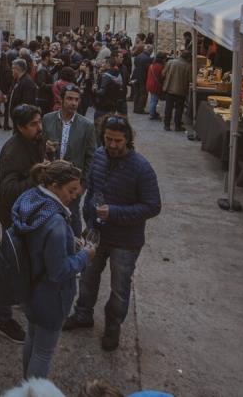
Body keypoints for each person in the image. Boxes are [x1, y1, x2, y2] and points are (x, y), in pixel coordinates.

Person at [64, 115, 161, 351]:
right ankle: (83, 314)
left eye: (118, 140)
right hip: (97, 233)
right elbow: (93, 188)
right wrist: (89, 216)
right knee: (87, 276)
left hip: (125, 242)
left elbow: (153, 206)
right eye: (108, 139)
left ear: (128, 139)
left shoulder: (142, 168)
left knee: (119, 287)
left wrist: (115, 212)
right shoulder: (98, 156)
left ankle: (112, 328)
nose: (113, 145)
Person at [13, 160, 94, 379]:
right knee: (43, 352)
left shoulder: (31, 199)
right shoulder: (56, 223)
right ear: (54, 186)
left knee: (32, 337)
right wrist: (84, 256)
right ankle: (33, 392)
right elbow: (59, 271)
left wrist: (70, 242)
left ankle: (25, 386)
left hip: (29, 287)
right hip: (50, 296)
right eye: (71, 190)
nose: (75, 196)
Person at [0, 104, 44, 343]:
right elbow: (7, 190)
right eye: (34, 124)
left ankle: (16, 298)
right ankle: (3, 319)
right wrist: (36, 177)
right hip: (13, 219)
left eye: (39, 121)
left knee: (20, 263)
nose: (39, 127)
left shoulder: (34, 142)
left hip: (29, 216)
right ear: (20, 127)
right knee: (8, 266)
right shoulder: (12, 151)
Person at [43, 85, 96, 236]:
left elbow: (91, 157)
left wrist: (83, 185)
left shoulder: (87, 126)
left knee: (72, 216)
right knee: (49, 214)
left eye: (76, 100)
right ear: (61, 99)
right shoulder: (47, 119)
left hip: (72, 182)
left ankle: (75, 246)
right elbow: (38, 146)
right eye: (70, 99)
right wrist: (45, 149)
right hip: (51, 178)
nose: (73, 103)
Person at [161, 50, 192, 132]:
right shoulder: (188, 66)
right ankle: (177, 126)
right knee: (179, 109)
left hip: (169, 88)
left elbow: (163, 73)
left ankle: (166, 125)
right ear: (188, 58)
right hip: (181, 90)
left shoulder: (171, 62)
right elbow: (190, 79)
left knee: (168, 107)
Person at [93, 57, 125, 122]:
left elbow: (101, 92)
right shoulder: (117, 73)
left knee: (99, 127)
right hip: (113, 106)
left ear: (108, 64)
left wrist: (94, 90)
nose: (102, 64)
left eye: (103, 63)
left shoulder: (106, 76)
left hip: (103, 106)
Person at [130, 46, 152, 115]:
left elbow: (136, 65)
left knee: (136, 93)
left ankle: (136, 108)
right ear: (150, 51)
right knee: (143, 94)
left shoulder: (138, 56)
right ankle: (140, 109)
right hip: (142, 78)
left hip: (135, 76)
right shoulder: (148, 59)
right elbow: (148, 69)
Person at [146, 53, 166, 120]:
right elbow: (162, 76)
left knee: (152, 99)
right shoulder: (161, 66)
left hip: (150, 83)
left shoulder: (152, 65)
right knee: (154, 100)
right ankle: (152, 114)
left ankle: (153, 112)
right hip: (155, 85)